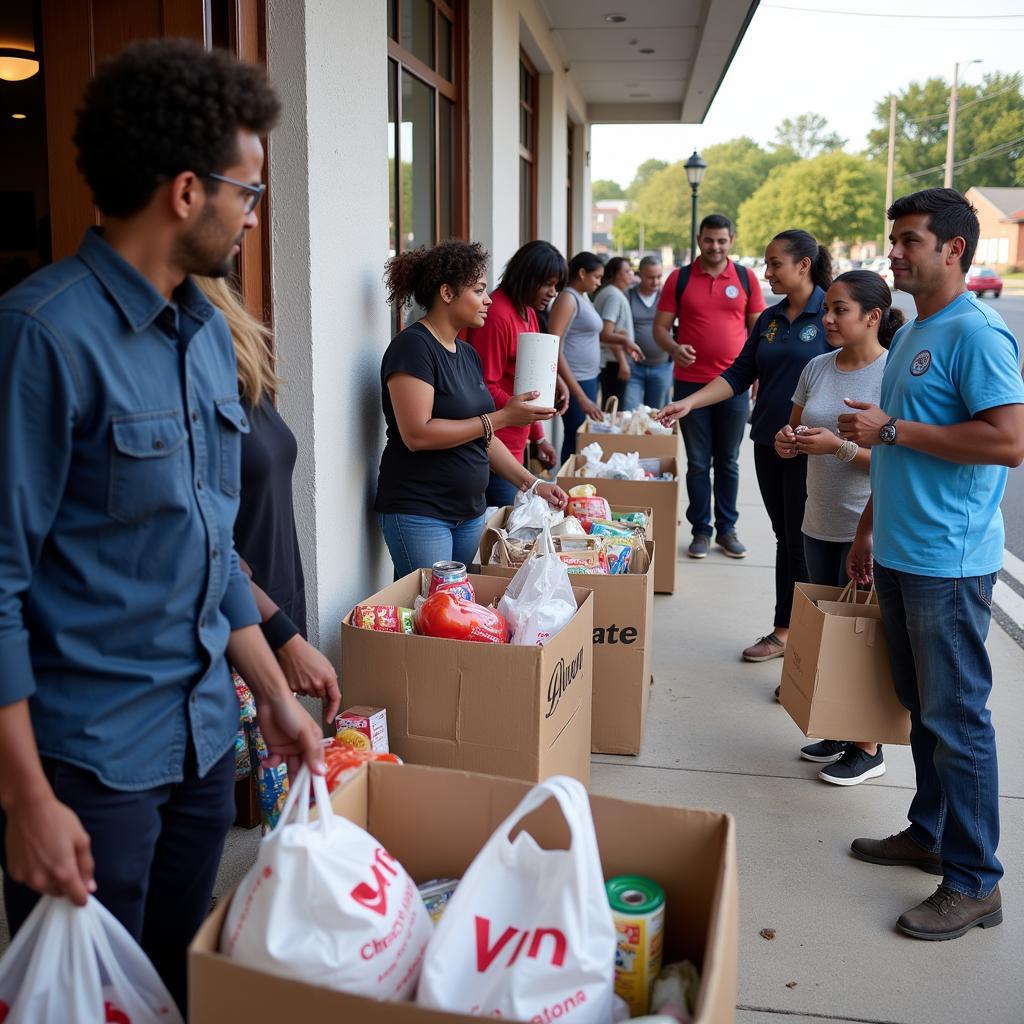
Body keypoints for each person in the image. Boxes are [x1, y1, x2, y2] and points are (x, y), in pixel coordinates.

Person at [0, 40, 323, 1011]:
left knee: (174, 988)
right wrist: (25, 798)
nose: (251, 213)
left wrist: (269, 690)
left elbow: (209, 548)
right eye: (249, 191)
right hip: (88, 767)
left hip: (199, 748)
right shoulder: (41, 336)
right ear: (188, 191)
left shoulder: (202, 339)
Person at [840, 188, 1024, 940]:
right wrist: (867, 531)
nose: (894, 252)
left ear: (953, 249)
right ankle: (929, 832)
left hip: (950, 561)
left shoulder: (977, 332)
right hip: (904, 552)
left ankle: (976, 881)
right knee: (922, 711)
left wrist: (895, 431)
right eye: (895, 240)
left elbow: (1008, 442)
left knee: (957, 719)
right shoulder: (919, 326)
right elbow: (889, 446)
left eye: (909, 240)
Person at [659, 229, 833, 664]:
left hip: (815, 450)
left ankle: (811, 651)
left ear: (803, 265)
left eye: (775, 263)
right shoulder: (771, 320)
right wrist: (689, 402)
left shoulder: (832, 313)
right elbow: (739, 374)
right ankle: (786, 631)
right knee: (784, 539)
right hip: (768, 443)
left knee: (805, 543)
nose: (767, 271)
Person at [774, 270, 902, 784]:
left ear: (873, 316)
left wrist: (840, 448)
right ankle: (839, 726)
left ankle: (868, 746)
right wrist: (789, 441)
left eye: (840, 310)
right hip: (818, 516)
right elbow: (797, 427)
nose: (827, 318)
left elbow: (897, 461)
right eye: (827, 309)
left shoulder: (891, 376)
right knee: (830, 628)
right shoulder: (817, 367)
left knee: (865, 634)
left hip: (865, 521)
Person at [195, 277, 340, 723]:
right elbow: (205, 543)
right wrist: (279, 634)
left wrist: (285, 629)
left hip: (275, 597)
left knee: (275, 781)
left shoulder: (242, 382)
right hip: (229, 617)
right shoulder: (186, 391)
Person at [375, 241, 567, 578]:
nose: (489, 299)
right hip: (421, 511)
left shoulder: (466, 353)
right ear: (447, 293)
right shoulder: (413, 347)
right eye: (478, 290)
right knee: (431, 612)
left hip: (469, 514)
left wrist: (533, 483)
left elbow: (484, 436)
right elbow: (417, 434)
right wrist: (503, 416)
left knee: (456, 614)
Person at [653, 214, 766, 560]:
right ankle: (701, 530)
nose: (714, 247)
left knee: (728, 461)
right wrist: (674, 347)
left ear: (731, 240)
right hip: (689, 387)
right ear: (699, 239)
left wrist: (759, 373)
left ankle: (727, 530)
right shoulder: (680, 278)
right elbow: (659, 329)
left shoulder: (746, 278)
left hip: (733, 387)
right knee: (699, 463)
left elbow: (759, 333)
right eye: (708, 240)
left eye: (721, 240)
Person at [465, 239, 569, 507]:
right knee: (498, 533)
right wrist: (527, 411)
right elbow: (483, 387)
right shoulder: (497, 314)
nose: (552, 293)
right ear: (527, 276)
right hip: (494, 447)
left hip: (516, 444)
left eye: (556, 286)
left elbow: (523, 386)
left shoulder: (528, 312)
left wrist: (539, 436)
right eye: (547, 284)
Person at [549, 252, 641, 465]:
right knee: (577, 438)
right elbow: (554, 347)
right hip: (574, 380)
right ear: (582, 273)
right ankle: (566, 491)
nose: (600, 282)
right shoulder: (567, 298)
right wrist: (580, 396)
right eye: (597, 277)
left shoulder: (582, 297)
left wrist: (623, 342)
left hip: (587, 377)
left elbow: (595, 333)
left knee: (582, 438)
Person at [623, 256, 671, 411]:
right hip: (634, 367)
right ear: (640, 275)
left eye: (658, 277)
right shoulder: (628, 296)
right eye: (650, 277)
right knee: (630, 414)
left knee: (657, 417)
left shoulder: (667, 296)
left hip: (662, 367)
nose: (655, 282)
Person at [593, 256, 642, 408]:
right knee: (614, 410)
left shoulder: (611, 292)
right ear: (615, 274)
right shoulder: (613, 295)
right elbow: (608, 333)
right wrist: (623, 362)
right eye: (627, 271)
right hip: (613, 363)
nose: (631, 275)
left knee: (612, 407)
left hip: (613, 361)